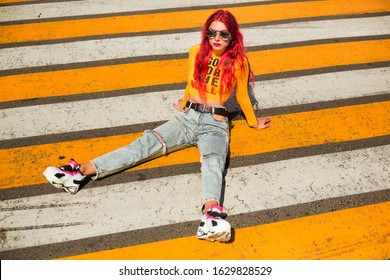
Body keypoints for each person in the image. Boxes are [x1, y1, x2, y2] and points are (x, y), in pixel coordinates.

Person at [43, 9, 271, 243]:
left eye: (223, 34)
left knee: (213, 163)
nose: (217, 38)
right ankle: (79, 173)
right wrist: (184, 102)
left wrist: (253, 122)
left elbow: (242, 94)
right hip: (187, 118)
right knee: (144, 144)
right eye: (212, 32)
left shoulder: (239, 61)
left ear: (233, 37)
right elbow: (190, 81)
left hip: (215, 124)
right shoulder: (195, 51)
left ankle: (211, 215)